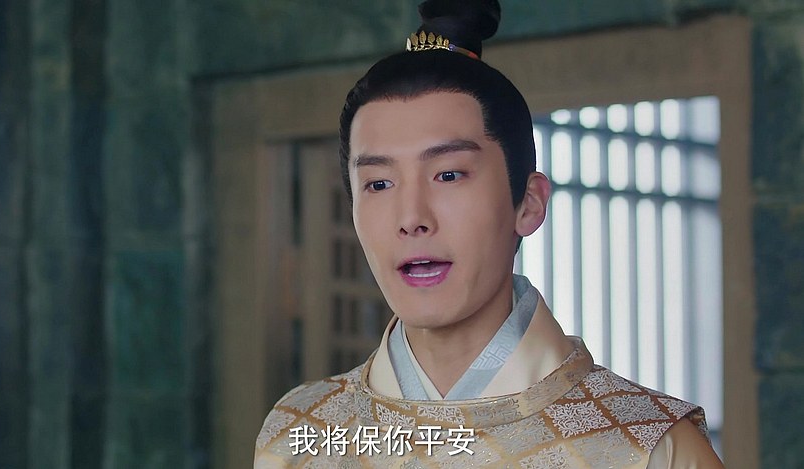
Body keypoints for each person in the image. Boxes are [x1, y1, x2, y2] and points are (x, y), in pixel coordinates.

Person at [255, 0, 725, 467]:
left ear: (529, 203)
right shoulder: (298, 435)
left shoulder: (646, 447)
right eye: (379, 184)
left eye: (448, 175)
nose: (411, 217)